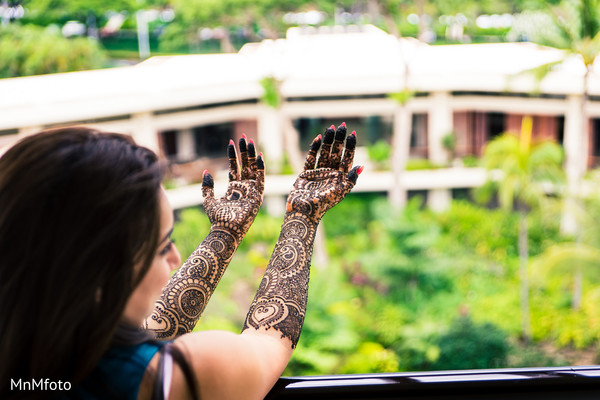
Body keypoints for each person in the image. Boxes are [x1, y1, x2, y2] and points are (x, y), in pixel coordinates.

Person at [0, 123, 362, 399]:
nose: (175, 258)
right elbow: (268, 341)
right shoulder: (177, 377)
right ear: (93, 275)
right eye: (162, 247)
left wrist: (225, 234)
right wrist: (302, 215)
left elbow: (148, 333)